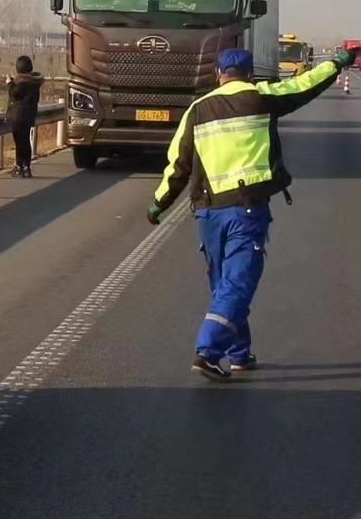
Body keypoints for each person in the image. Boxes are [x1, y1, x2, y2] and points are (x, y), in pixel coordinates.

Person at [146, 44, 345, 382]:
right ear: (249, 74)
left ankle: (239, 354)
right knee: (237, 283)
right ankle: (208, 352)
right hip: (246, 209)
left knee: (224, 284)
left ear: (218, 75)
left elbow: (178, 164)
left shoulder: (197, 109)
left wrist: (159, 203)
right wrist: (338, 62)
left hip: (208, 214)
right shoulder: (261, 97)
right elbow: (305, 84)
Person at [4, 55, 44, 179]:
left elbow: (14, 94)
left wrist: (9, 83)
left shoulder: (23, 83)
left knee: (19, 142)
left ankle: (19, 166)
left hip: (18, 117)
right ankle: (26, 167)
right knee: (25, 141)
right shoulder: (34, 82)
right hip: (28, 116)